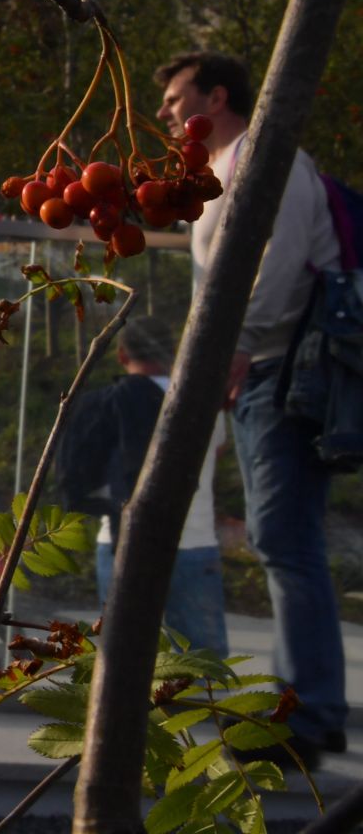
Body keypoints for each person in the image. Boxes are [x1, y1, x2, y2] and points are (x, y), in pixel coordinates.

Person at [155, 51, 346, 764]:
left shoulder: (268, 162)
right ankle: (310, 710)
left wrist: (238, 348)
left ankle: (310, 715)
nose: (169, 114)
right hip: (263, 369)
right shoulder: (225, 174)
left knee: (284, 540)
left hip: (285, 370)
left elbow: (284, 259)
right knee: (283, 539)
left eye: (178, 99)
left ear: (219, 95)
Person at [56, 319, 228, 655]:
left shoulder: (106, 403)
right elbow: (217, 451)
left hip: (120, 540)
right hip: (191, 541)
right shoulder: (202, 401)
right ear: (175, 352)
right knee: (203, 664)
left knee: (121, 655)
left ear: (122, 356)